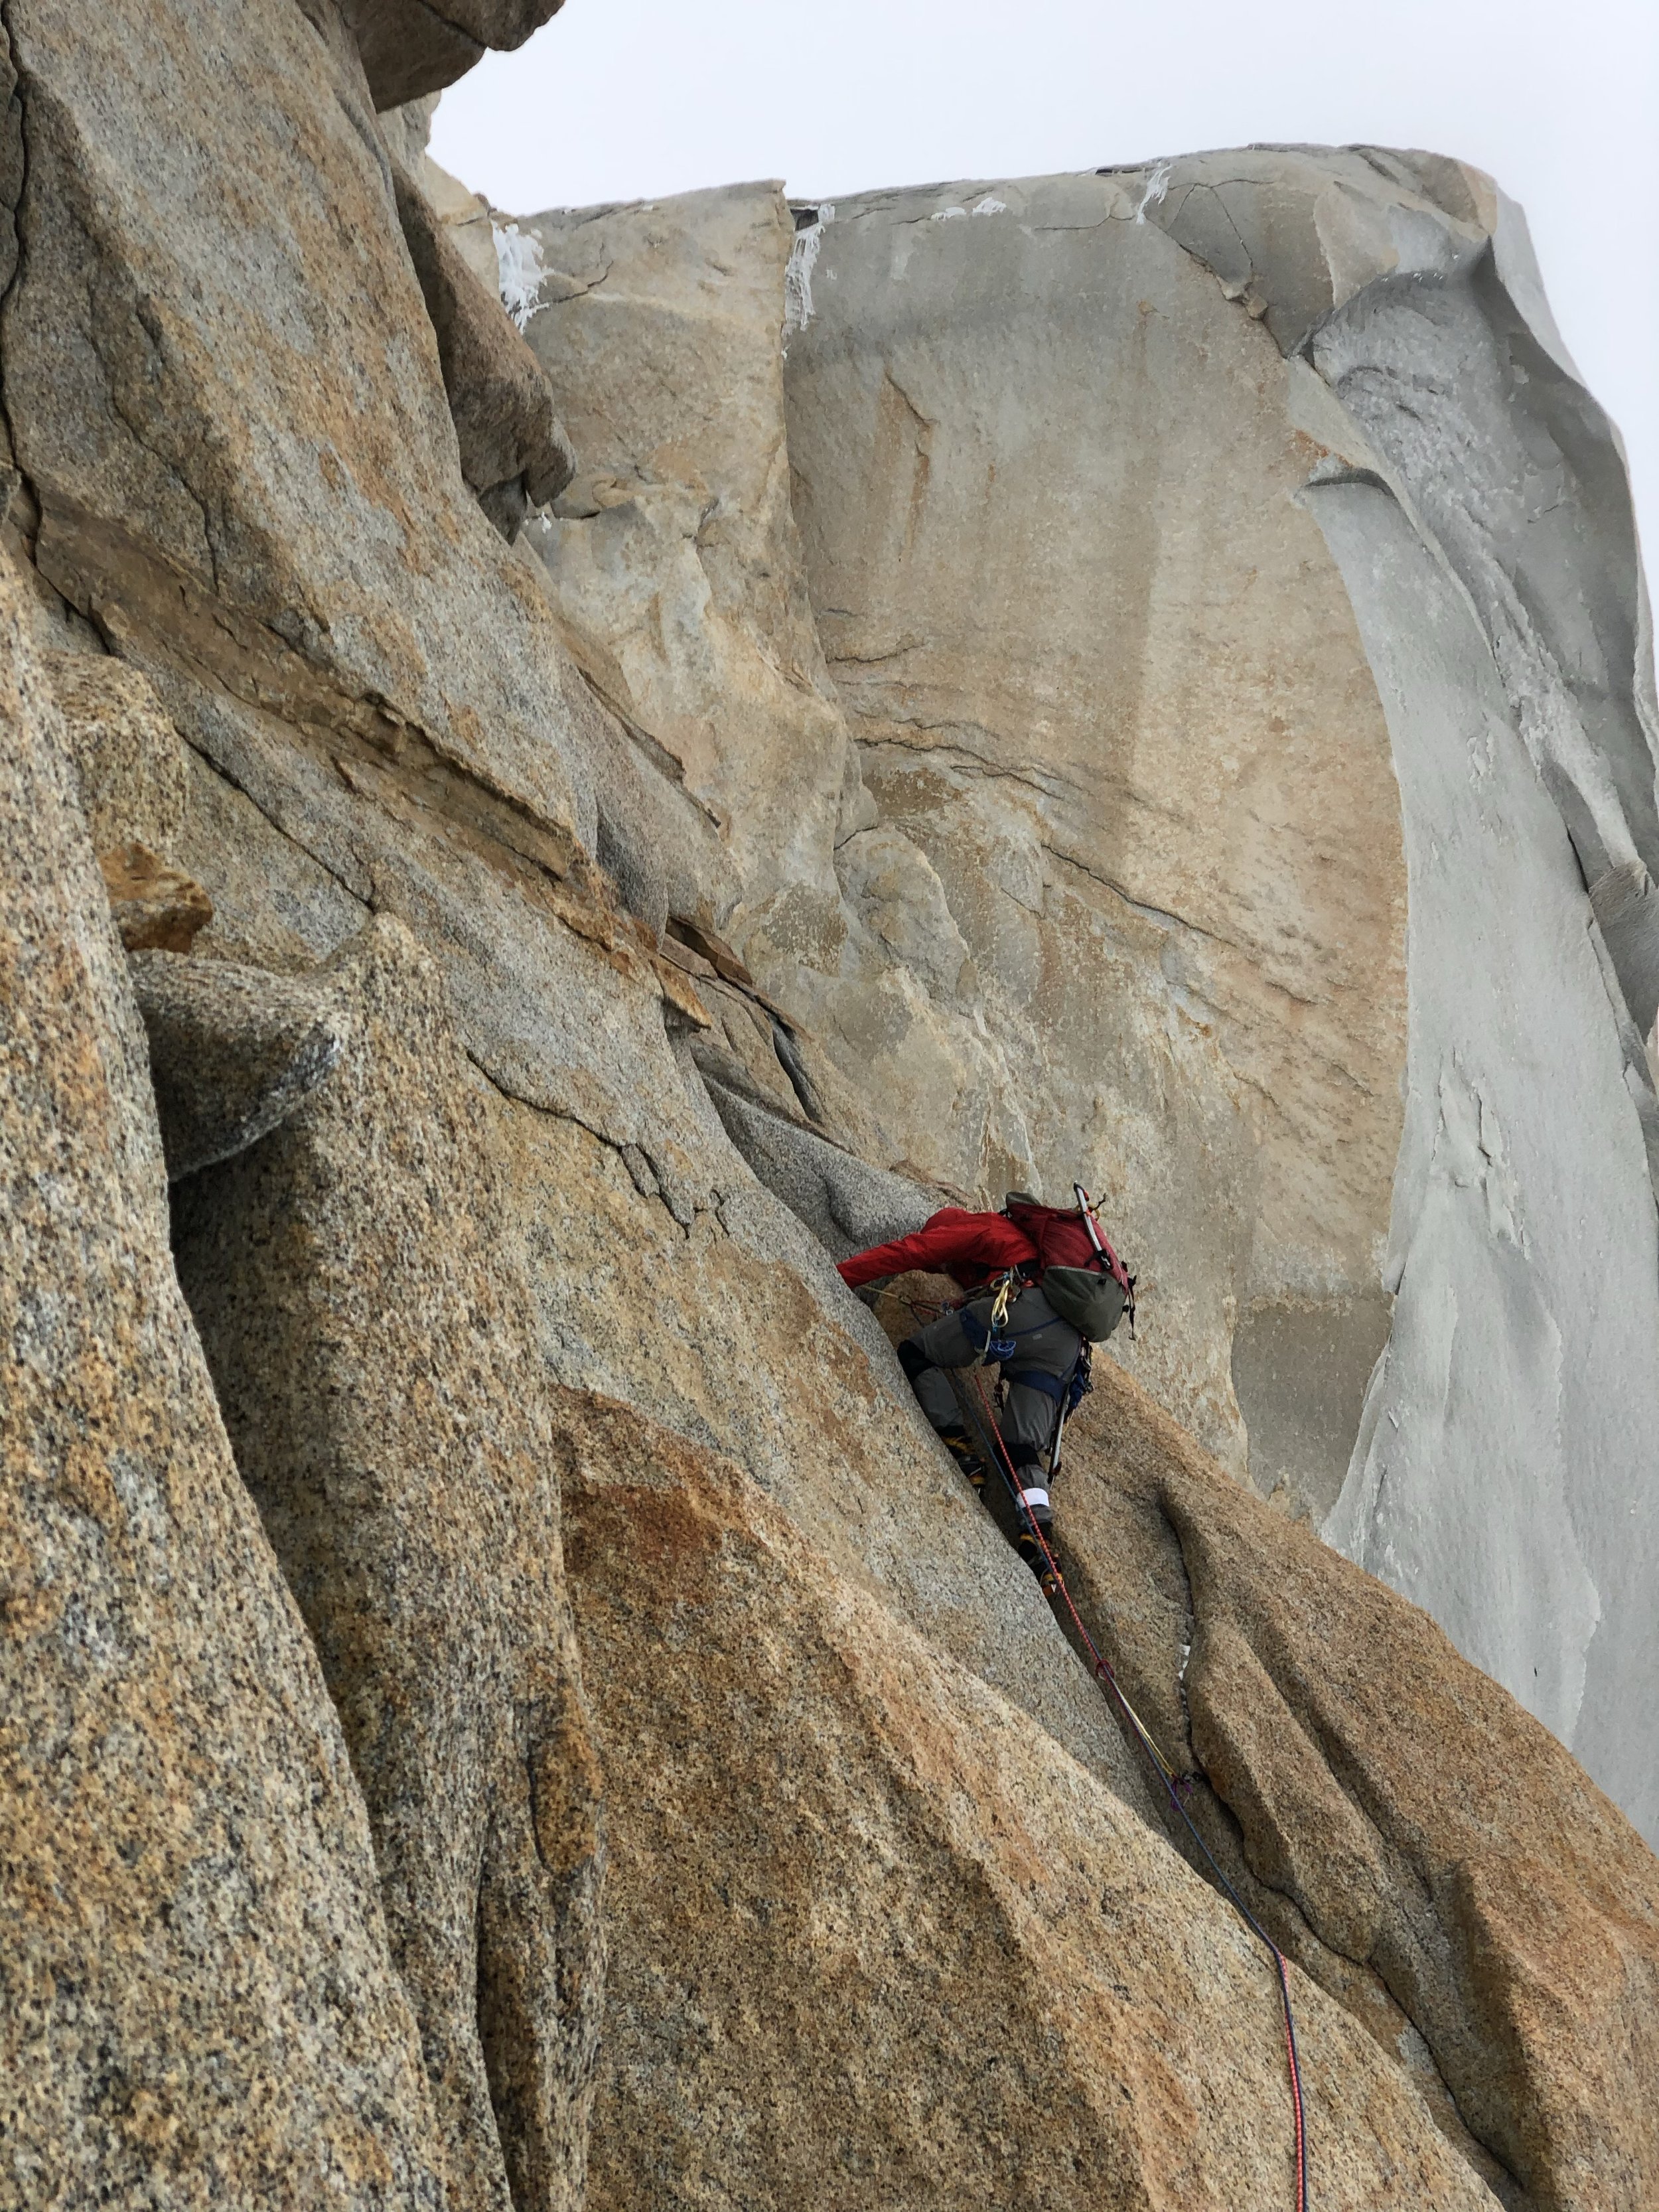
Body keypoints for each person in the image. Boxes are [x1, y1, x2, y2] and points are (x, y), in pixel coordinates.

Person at [837, 1206, 1084, 1574]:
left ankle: (961, 1450)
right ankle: (1038, 1540)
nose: (944, 1271)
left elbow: (909, 1252)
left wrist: (837, 1274)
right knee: (1020, 1445)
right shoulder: (1030, 1250)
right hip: (1068, 1345)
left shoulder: (974, 1228)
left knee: (917, 1354)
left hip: (1024, 1311)